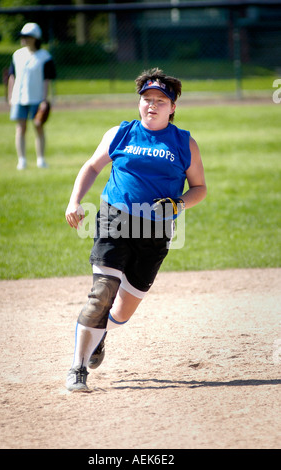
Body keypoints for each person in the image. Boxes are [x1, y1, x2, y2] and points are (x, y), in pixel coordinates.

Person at [65, 67, 207, 392]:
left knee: (121, 313)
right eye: (146, 99)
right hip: (115, 219)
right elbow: (91, 166)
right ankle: (78, 366)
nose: (152, 105)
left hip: (155, 233)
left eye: (160, 100)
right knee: (100, 296)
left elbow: (199, 188)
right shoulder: (121, 133)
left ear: (172, 107)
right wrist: (75, 201)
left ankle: (98, 337)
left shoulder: (185, 143)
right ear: (139, 103)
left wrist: (179, 204)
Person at [8, 22, 56, 170]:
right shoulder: (17, 55)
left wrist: (45, 99)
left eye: (27, 36)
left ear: (35, 38)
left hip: (37, 98)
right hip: (19, 97)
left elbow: (47, 80)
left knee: (38, 127)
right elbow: (12, 76)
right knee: (20, 128)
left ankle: (40, 159)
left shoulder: (44, 57)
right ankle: (21, 160)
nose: (23, 39)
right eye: (22, 36)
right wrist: (10, 96)